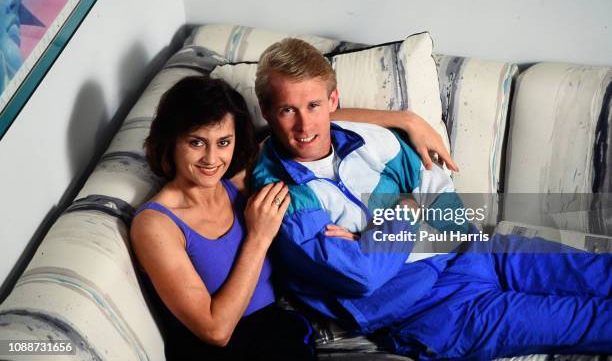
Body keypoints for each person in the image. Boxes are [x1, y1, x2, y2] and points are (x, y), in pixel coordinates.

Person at [251, 37, 612, 360]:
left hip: (475, 251)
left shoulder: (370, 139)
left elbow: (449, 211)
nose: (304, 126)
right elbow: (362, 275)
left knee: (599, 272)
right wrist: (406, 209)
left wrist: (372, 238)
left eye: (313, 105)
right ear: (267, 111)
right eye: (287, 110)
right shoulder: (280, 195)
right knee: (590, 320)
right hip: (433, 310)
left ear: (333, 100)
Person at [130, 76, 456, 360]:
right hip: (222, 353)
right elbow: (216, 331)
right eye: (196, 142)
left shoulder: (234, 181)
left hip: (284, 333)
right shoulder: (156, 224)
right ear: (171, 140)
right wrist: (258, 237)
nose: (211, 158)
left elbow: (306, 128)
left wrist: (408, 120)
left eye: (223, 142)